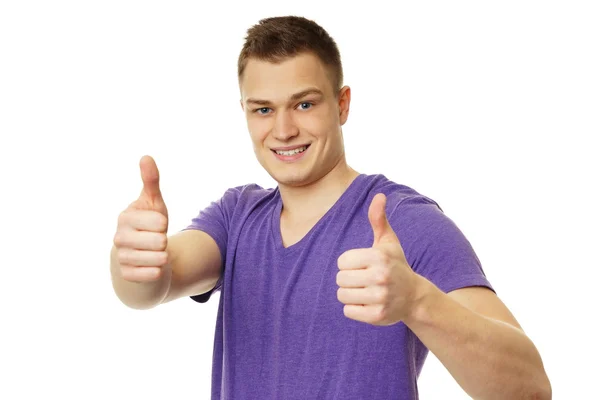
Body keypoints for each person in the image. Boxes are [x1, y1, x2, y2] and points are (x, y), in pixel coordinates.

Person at [110, 15, 551, 400]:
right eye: (263, 109)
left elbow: (530, 388)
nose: (283, 129)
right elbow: (154, 286)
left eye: (304, 104)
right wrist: (133, 260)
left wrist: (418, 301)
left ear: (341, 105)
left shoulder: (403, 221)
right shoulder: (235, 217)